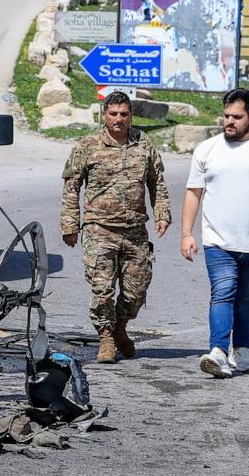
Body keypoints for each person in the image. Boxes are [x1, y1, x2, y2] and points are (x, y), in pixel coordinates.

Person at [180, 87, 249, 378]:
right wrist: (187, 233)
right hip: (218, 241)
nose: (230, 121)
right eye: (227, 115)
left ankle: (241, 350)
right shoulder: (208, 149)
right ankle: (217, 350)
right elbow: (193, 193)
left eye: (237, 117)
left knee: (245, 298)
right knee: (223, 293)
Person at [61, 91, 171, 363]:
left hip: (135, 231)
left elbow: (157, 183)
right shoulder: (87, 146)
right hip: (100, 230)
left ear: (131, 115)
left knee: (136, 291)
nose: (119, 119)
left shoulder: (144, 144)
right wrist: (70, 223)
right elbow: (71, 187)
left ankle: (120, 327)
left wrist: (162, 213)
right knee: (102, 290)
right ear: (104, 115)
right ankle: (107, 337)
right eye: (113, 114)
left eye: (124, 114)